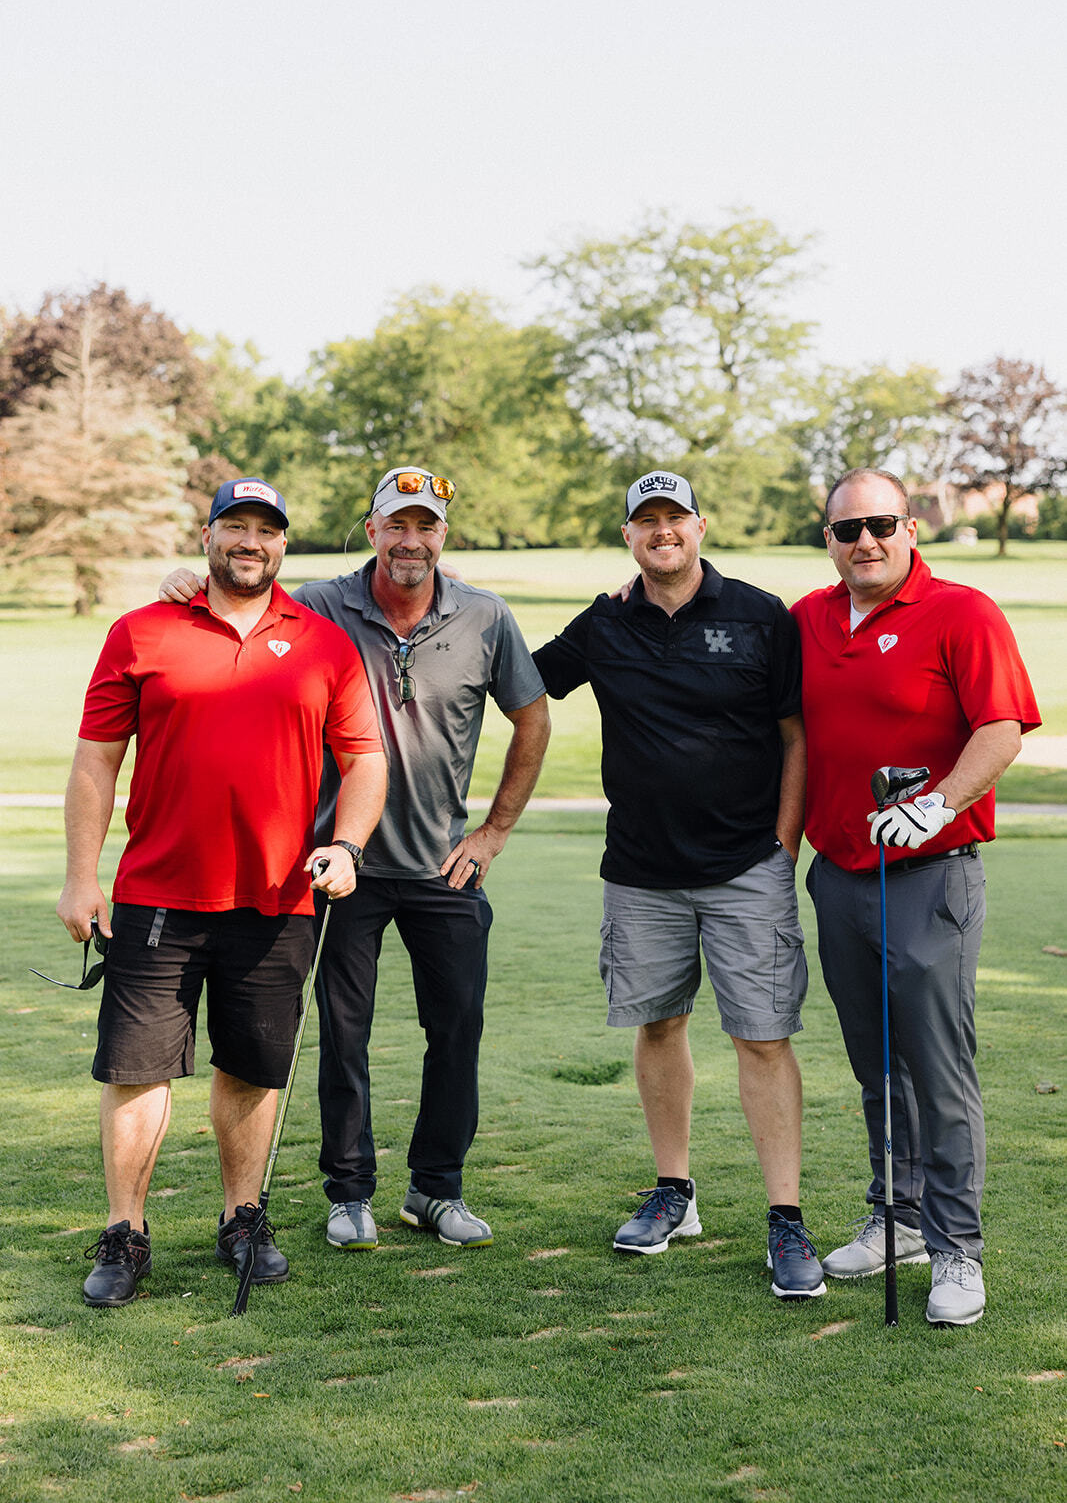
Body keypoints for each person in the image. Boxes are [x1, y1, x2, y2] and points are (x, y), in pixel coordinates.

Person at [160, 467, 550, 1251]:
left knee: (457, 1030)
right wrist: (181, 584)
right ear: (370, 530)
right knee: (343, 1034)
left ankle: (436, 1190)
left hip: (445, 867)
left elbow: (532, 720)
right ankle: (349, 1194)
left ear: (443, 535)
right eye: (395, 524)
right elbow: (237, 596)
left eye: (425, 526)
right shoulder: (316, 605)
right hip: (342, 866)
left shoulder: (484, 615)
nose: (410, 540)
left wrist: (494, 832)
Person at [59, 477, 387, 1308]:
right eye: (234, 526)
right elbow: (97, 759)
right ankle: (125, 1233)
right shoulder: (141, 631)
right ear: (207, 537)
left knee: (250, 1068)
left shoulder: (322, 643)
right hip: (157, 896)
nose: (250, 542)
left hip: (277, 900)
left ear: (284, 545)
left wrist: (347, 845)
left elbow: (365, 760)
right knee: (136, 1072)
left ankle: (243, 1220)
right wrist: (80, 876)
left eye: (265, 530)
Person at [532, 470, 823, 1299]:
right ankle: (673, 1192)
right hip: (640, 873)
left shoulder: (758, 615)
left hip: (745, 867)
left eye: (675, 517)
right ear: (627, 535)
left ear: (699, 526)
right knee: (658, 1025)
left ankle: (785, 1218)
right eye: (645, 520)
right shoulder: (604, 621)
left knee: (762, 1037)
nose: (662, 531)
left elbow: (794, 736)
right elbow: (514, 676)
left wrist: (783, 846)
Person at [793, 467, 1040, 1327]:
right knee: (877, 1067)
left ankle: (955, 1248)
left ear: (909, 529)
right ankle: (894, 1217)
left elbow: (1001, 728)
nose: (864, 541)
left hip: (932, 876)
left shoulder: (961, 612)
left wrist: (936, 803)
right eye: (846, 529)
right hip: (840, 875)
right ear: (827, 538)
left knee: (937, 1071)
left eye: (880, 525)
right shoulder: (807, 619)